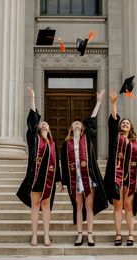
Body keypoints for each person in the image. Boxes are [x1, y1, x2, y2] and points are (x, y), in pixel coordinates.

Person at [61, 89, 108, 247]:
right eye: (74, 123)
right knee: (78, 207)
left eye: (79, 123)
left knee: (89, 206)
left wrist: (99, 102)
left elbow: (92, 121)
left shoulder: (87, 140)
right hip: (75, 179)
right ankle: (79, 235)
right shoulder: (65, 144)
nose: (76, 123)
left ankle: (90, 235)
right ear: (71, 128)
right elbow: (63, 164)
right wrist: (63, 182)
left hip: (88, 178)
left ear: (82, 128)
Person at [16, 87, 63, 247]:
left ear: (49, 130)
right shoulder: (34, 140)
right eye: (42, 123)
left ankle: (47, 235)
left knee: (46, 206)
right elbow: (33, 121)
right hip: (35, 178)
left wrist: (59, 180)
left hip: (48, 180)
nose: (44, 124)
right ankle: (35, 235)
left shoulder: (52, 144)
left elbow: (56, 163)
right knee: (35, 205)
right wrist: (33, 98)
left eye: (46, 124)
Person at [104, 89, 137, 246]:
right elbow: (114, 120)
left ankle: (130, 234)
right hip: (116, 175)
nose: (124, 124)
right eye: (123, 123)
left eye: (127, 123)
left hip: (131, 178)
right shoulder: (115, 138)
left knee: (129, 205)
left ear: (131, 128)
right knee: (117, 205)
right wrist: (113, 103)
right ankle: (118, 234)